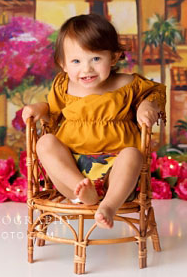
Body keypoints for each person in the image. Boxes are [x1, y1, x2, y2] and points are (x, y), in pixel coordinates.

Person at [22, 14, 164, 229]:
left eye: (96, 59)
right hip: (72, 169)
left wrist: (147, 106)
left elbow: (155, 94)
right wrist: (37, 108)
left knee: (133, 154)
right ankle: (81, 191)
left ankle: (108, 205)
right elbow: (52, 109)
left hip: (116, 173)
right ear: (63, 64)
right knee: (45, 143)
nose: (86, 69)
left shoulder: (128, 84)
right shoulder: (63, 86)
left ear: (114, 58)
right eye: (76, 61)